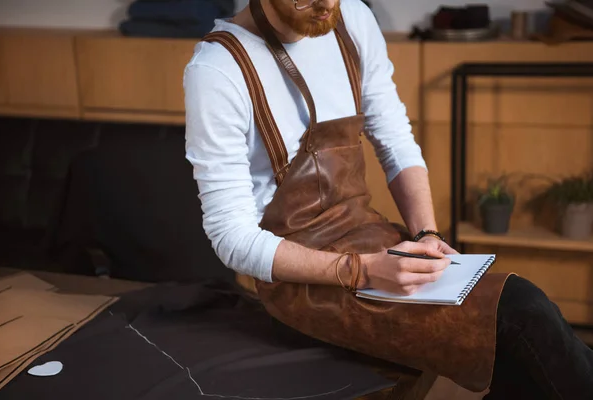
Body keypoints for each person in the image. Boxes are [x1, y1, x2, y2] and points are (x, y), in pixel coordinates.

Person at [183, 0, 593, 398]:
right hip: (302, 278)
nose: (327, 4)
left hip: (370, 241)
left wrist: (426, 232)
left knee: (526, 346)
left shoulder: (353, 20)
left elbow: (394, 139)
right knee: (522, 312)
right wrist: (361, 271)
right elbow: (231, 238)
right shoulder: (217, 69)